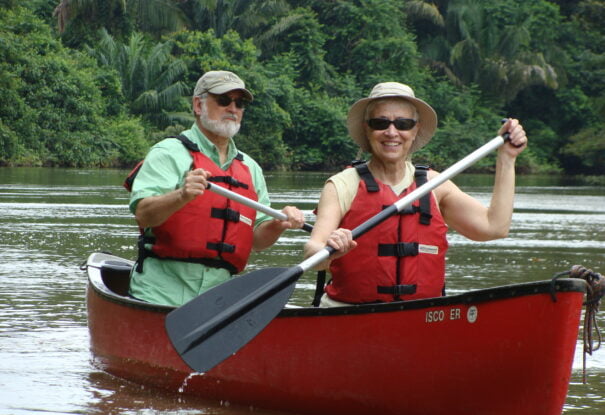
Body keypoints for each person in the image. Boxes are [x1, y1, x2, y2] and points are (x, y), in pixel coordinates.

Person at [304, 82, 527, 307]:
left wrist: (507, 159)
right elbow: (312, 252)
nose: (392, 132)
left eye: (403, 124)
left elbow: (494, 227)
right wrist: (329, 251)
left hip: (422, 317)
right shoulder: (342, 185)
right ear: (367, 128)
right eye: (380, 123)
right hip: (348, 314)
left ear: (416, 129)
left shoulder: (435, 184)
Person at [128, 70, 305, 306]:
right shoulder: (168, 152)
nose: (233, 109)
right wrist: (181, 195)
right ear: (198, 105)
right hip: (160, 294)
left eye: (239, 103)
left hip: (219, 301)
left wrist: (277, 224)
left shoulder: (250, 168)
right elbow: (144, 213)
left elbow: (257, 241)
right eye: (223, 100)